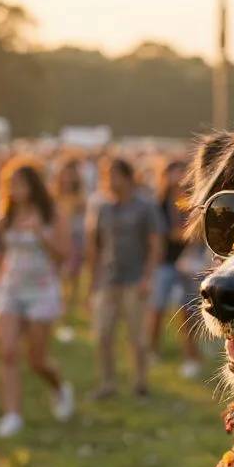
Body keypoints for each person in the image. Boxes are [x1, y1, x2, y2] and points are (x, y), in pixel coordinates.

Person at [0, 158, 74, 437]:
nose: (14, 190)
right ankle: (12, 414)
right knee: (8, 352)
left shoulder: (51, 213)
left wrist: (41, 235)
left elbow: (64, 254)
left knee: (37, 359)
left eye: (19, 184)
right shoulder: (5, 213)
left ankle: (59, 388)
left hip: (42, 289)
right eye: (10, 185)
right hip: (10, 288)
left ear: (33, 185)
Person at [87, 157, 162, 398]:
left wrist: (147, 277)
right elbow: (95, 244)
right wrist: (93, 279)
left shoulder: (145, 206)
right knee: (103, 334)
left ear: (127, 177)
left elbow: (154, 245)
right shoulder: (102, 207)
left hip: (135, 279)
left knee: (137, 337)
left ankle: (141, 383)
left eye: (113, 175)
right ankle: (107, 383)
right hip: (108, 279)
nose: (109, 181)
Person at [149, 157, 204, 377]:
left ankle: (190, 355)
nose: (178, 178)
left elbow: (196, 233)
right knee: (157, 308)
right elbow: (163, 235)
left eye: (182, 173)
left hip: (188, 264)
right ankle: (152, 350)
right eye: (173, 173)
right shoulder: (159, 204)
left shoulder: (192, 203)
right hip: (165, 263)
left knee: (187, 311)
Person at [54, 154, 87, 323]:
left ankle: (70, 305)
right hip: (58, 239)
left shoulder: (80, 198)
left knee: (73, 273)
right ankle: (61, 304)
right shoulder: (54, 196)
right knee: (60, 273)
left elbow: (81, 221)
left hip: (74, 238)